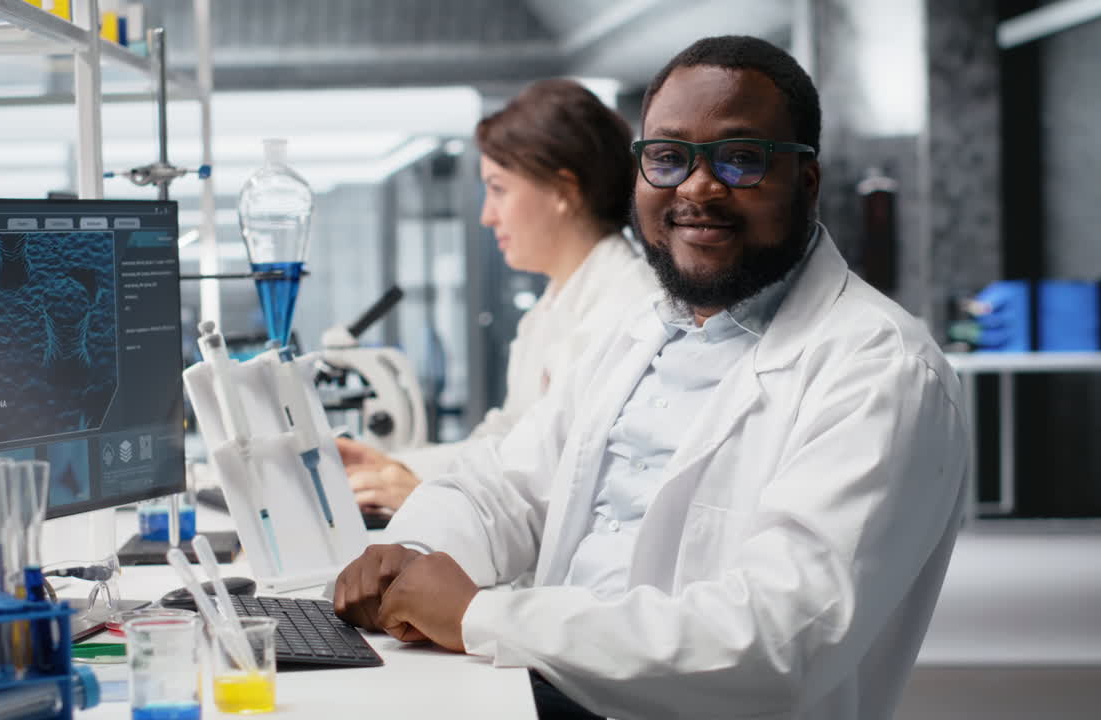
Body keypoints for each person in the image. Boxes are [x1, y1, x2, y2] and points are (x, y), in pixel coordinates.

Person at [334, 35, 968, 720]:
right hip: (548, 686)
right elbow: (503, 485)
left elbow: (777, 643)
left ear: (806, 181)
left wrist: (482, 618)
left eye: (740, 159)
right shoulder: (640, 328)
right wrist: (410, 553)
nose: (698, 186)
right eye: (668, 157)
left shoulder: (880, 369)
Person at [336, 78, 659, 512]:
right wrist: (399, 467)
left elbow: (571, 480)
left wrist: (431, 500)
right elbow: (506, 437)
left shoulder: (628, 307)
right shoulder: (550, 307)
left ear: (564, 191)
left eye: (499, 189)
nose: (488, 216)